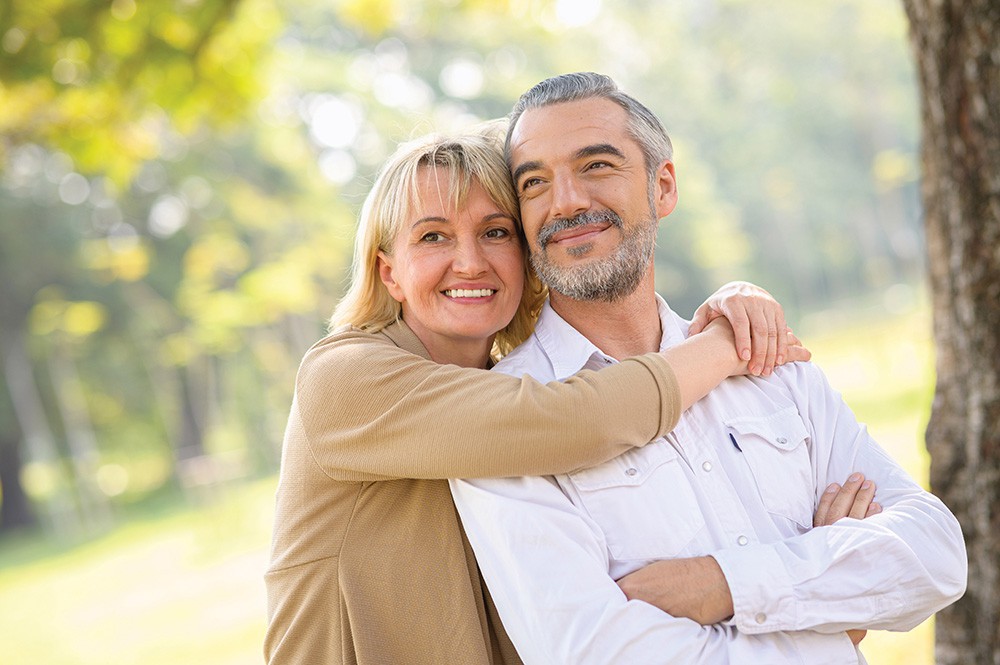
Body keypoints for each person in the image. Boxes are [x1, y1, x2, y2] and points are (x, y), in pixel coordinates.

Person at [450, 72, 968, 664]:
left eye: (596, 166)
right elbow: (597, 654)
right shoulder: (503, 419)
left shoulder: (767, 362)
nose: (565, 201)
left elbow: (936, 555)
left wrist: (718, 585)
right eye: (535, 182)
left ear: (662, 187)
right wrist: (831, 615)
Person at [263, 124, 812, 664]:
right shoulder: (345, 377)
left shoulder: (512, 384)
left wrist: (814, 585)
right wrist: (726, 343)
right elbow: (578, 420)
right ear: (390, 273)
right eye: (433, 236)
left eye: (496, 232)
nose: (471, 261)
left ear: (529, 258)